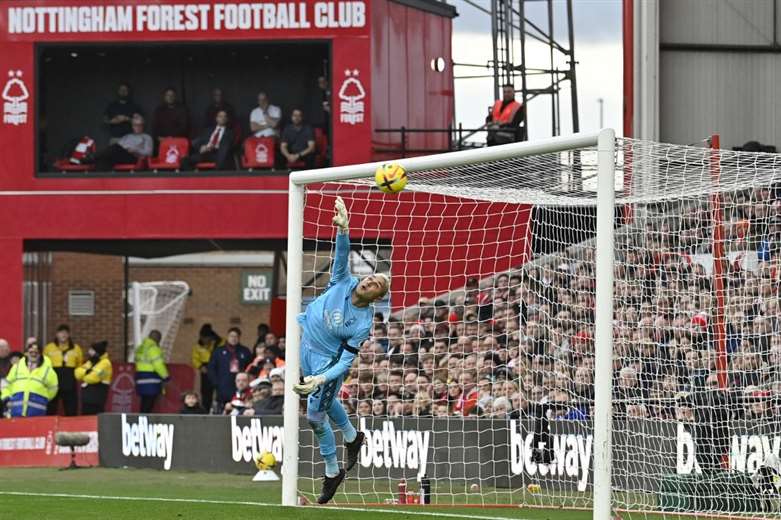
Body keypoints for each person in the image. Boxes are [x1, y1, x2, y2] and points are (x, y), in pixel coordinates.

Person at [293, 196, 390, 504]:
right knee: (324, 404)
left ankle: (333, 471)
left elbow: (346, 361)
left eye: (376, 284)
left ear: (376, 297)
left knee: (314, 415)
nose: (370, 281)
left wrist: (321, 379)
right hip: (306, 347)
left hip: (327, 364)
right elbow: (342, 255)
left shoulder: (361, 322)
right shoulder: (342, 281)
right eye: (370, 277)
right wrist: (344, 229)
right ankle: (352, 436)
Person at [1, 338, 58, 417]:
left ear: (41, 354)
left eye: (36, 352)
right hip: (16, 411)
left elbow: (53, 390)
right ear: (26, 353)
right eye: (31, 352)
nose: (33, 354)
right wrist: (7, 399)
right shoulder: (17, 367)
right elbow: (5, 385)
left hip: (38, 412)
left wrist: (43, 398)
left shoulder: (48, 371)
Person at [208, 327, 252, 412]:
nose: (233, 338)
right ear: (227, 337)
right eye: (231, 336)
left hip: (240, 387)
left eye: (236, 336)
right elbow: (211, 369)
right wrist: (216, 383)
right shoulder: (218, 351)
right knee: (223, 409)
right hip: (223, 387)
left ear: (239, 338)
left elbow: (250, 368)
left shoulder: (245, 351)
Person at [43, 324, 83, 416]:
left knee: (71, 407)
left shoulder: (76, 348)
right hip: (53, 379)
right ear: (57, 334)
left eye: (65, 333)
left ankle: (71, 427)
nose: (63, 335)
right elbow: (44, 364)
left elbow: (79, 365)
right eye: (61, 333)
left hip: (70, 380)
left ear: (69, 335)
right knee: (51, 406)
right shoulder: (49, 347)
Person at [134, 330, 169, 413]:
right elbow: (158, 365)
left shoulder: (140, 347)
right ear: (157, 339)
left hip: (140, 378)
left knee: (144, 402)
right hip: (151, 379)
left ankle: (141, 421)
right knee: (149, 404)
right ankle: (145, 422)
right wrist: (166, 377)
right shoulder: (153, 348)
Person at [75, 340, 112, 415]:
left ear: (97, 352)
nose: (89, 352)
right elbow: (77, 373)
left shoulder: (106, 363)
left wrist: (84, 376)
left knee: (96, 419)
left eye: (91, 350)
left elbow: (93, 378)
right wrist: (86, 372)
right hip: (87, 398)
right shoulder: (91, 362)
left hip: (97, 397)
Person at [192, 323, 221, 414]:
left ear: (210, 337)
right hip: (205, 370)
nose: (204, 340)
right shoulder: (198, 346)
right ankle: (205, 412)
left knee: (220, 391)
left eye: (206, 338)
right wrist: (200, 366)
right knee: (206, 393)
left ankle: (219, 411)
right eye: (202, 338)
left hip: (218, 369)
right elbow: (194, 358)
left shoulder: (220, 342)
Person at [0, 339, 12, 417]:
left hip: (9, 392)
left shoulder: (13, 360)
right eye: (3, 347)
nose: (7, 349)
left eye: (7, 347)